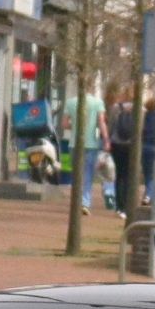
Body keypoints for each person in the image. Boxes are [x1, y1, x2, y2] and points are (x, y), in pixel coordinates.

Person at [64, 84, 107, 216]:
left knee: (76, 173)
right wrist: (106, 139)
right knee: (87, 173)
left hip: (74, 143)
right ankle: (85, 202)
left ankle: (75, 201)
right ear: (91, 88)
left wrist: (75, 127)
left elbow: (64, 123)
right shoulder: (98, 102)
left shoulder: (70, 102)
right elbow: (101, 122)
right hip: (91, 144)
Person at [109, 95, 140, 218]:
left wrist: (108, 140)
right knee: (128, 176)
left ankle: (119, 206)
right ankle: (127, 206)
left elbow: (111, 125)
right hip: (131, 146)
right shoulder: (140, 109)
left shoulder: (116, 108)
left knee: (119, 175)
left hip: (116, 144)